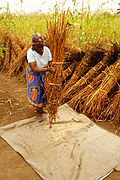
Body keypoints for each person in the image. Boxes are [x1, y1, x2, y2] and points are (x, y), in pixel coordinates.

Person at [26, 32, 52, 120]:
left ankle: (42, 108)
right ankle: (38, 112)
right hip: (34, 73)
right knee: (36, 90)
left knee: (45, 89)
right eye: (38, 47)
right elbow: (34, 68)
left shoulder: (46, 50)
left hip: (44, 70)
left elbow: (50, 63)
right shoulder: (30, 52)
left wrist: (51, 68)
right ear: (33, 46)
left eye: (42, 46)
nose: (41, 49)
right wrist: (47, 69)